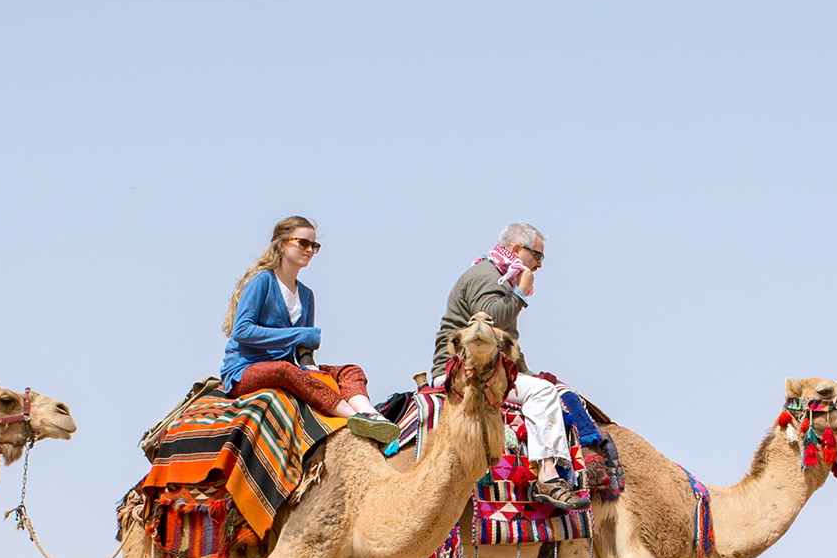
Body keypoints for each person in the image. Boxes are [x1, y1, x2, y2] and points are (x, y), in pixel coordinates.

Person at [432, 223, 578, 509]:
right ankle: (548, 476)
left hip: (484, 369)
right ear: (515, 250)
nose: (539, 265)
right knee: (542, 393)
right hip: (466, 371)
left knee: (546, 387)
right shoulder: (488, 277)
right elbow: (488, 321)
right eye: (537, 256)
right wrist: (520, 295)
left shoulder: (498, 277)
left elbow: (504, 340)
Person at [220, 216, 400, 443]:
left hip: (290, 365)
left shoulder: (306, 295)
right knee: (285, 370)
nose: (309, 250)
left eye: (314, 246)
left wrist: (311, 367)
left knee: (350, 370)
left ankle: (372, 415)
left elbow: (304, 351)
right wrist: (301, 335)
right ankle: (354, 418)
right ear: (283, 243)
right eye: (303, 243)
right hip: (245, 369)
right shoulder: (262, 282)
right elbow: (242, 331)